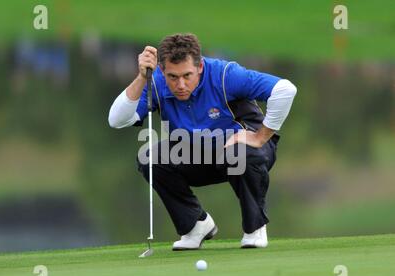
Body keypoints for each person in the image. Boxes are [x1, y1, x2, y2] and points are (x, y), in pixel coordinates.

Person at [108, 33, 297, 250]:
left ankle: (255, 229)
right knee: (150, 159)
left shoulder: (225, 75)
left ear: (200, 67)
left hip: (245, 152)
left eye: (187, 75)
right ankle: (195, 226)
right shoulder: (157, 83)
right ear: (162, 70)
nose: (180, 84)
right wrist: (142, 77)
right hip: (198, 153)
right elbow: (117, 120)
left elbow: (285, 90)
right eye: (173, 76)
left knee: (242, 154)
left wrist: (261, 136)